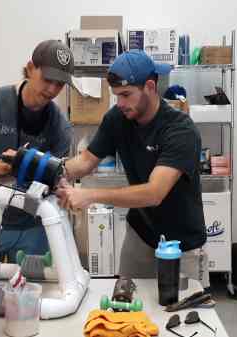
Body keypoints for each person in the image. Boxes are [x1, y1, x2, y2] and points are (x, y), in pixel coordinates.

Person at [56, 50, 210, 289]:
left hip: (183, 244)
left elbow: (154, 193)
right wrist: (48, 169)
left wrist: (89, 195)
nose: (121, 103)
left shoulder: (180, 130)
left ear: (150, 86)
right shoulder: (117, 119)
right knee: (125, 305)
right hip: (140, 235)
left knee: (181, 316)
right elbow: (86, 161)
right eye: (117, 96)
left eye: (126, 95)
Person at [0, 40, 74, 261]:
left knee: (35, 292)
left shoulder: (60, 126)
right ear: (31, 68)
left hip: (32, 228)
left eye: (60, 84)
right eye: (47, 79)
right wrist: (4, 165)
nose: (52, 89)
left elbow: (53, 183)